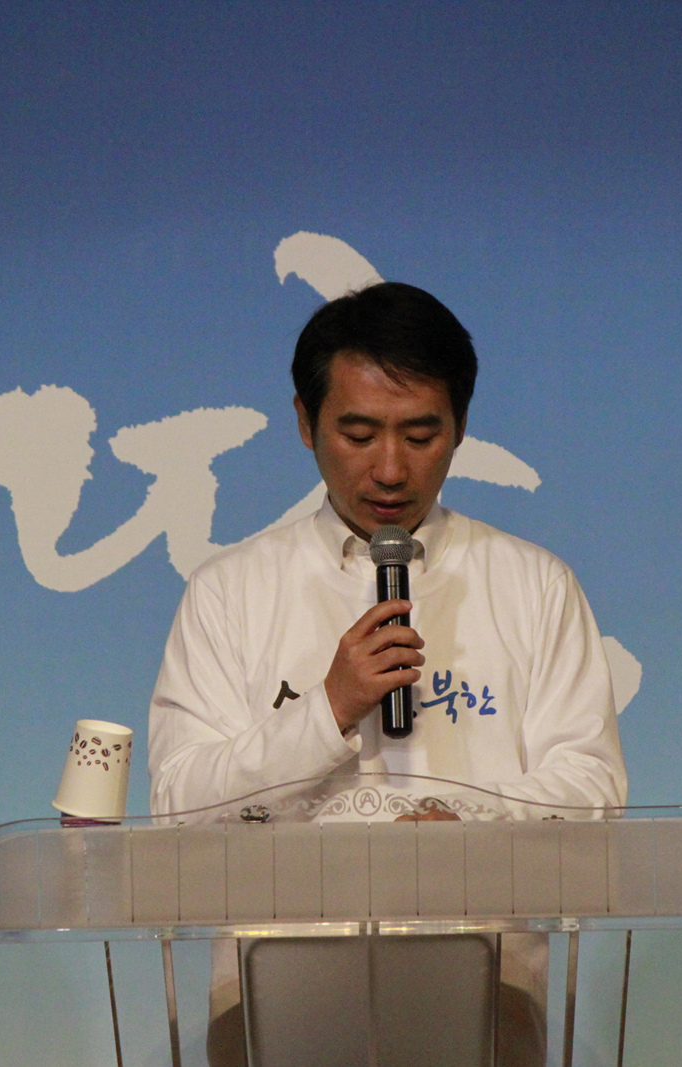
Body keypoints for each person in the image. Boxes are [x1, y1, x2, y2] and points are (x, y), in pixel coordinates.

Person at [146, 282, 627, 1067]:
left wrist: (468, 828)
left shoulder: (533, 585)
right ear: (305, 422)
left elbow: (593, 792)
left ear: (460, 427)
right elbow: (178, 813)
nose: (392, 468)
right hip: (275, 1000)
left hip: (483, 996)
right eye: (359, 433)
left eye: (422, 433)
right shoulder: (229, 593)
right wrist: (326, 711)